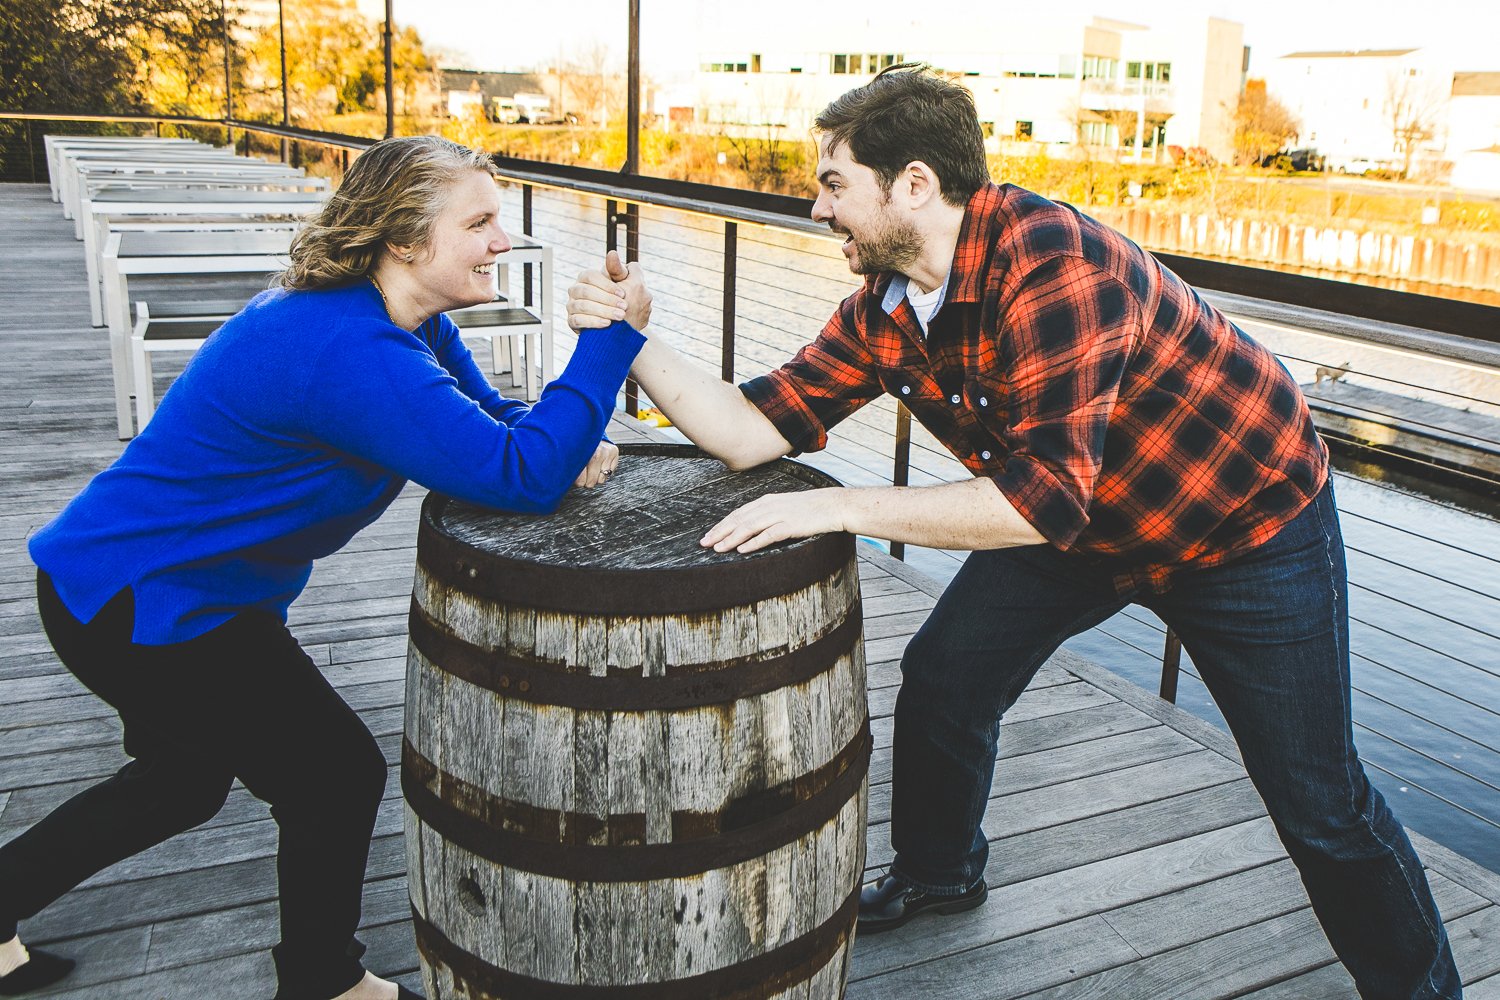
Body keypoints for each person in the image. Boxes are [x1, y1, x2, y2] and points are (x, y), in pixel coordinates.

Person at [566, 66, 1462, 999]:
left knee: (1320, 806)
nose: (818, 210)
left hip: (1240, 526)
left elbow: (1034, 504)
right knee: (948, 678)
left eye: (835, 185)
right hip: (1080, 521)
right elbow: (749, 432)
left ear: (913, 183)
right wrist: (632, 338)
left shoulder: (1053, 265)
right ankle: (940, 871)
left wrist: (840, 505)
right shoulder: (887, 307)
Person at [1, 136, 644, 1000]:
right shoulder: (347, 350)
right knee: (334, 774)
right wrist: (611, 343)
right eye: (481, 222)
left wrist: (560, 437)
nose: (505, 240)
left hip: (159, 588)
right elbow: (521, 474)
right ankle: (321, 983)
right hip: (140, 602)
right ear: (408, 239)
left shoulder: (405, 321)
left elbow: (500, 426)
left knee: (179, 783)